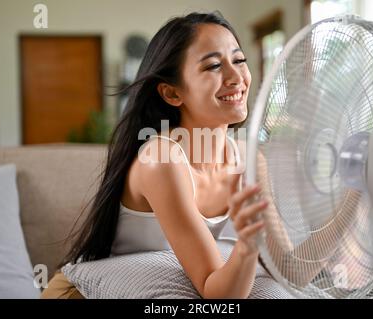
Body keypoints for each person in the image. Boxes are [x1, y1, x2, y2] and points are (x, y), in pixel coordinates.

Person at [42, 11, 270, 299]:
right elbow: (218, 296)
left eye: (239, 60)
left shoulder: (251, 161)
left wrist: (347, 201)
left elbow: (291, 267)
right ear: (172, 94)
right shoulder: (163, 160)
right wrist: (248, 246)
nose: (236, 77)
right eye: (213, 65)